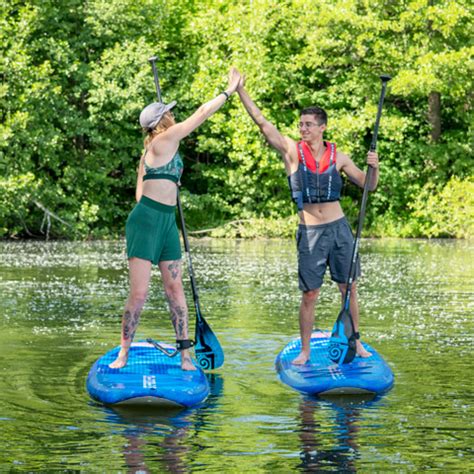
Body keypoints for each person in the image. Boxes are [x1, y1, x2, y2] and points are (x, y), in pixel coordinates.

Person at [236, 74, 378, 364]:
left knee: (349, 288)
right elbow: (263, 123)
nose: (303, 128)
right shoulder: (292, 151)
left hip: (339, 230)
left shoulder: (339, 156)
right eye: (301, 124)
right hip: (311, 232)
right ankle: (305, 350)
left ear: (322, 127)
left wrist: (374, 167)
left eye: (308, 124)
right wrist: (240, 90)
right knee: (310, 293)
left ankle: (356, 342)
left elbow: (369, 185)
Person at [109, 67, 242, 370]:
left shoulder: (161, 148)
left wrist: (169, 183)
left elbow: (140, 192)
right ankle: (123, 353)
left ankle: (185, 355)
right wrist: (228, 91)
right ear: (161, 122)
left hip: (167, 223)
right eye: (169, 113)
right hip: (145, 222)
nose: (173, 116)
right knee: (139, 293)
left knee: (175, 289)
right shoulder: (161, 142)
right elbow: (201, 113)